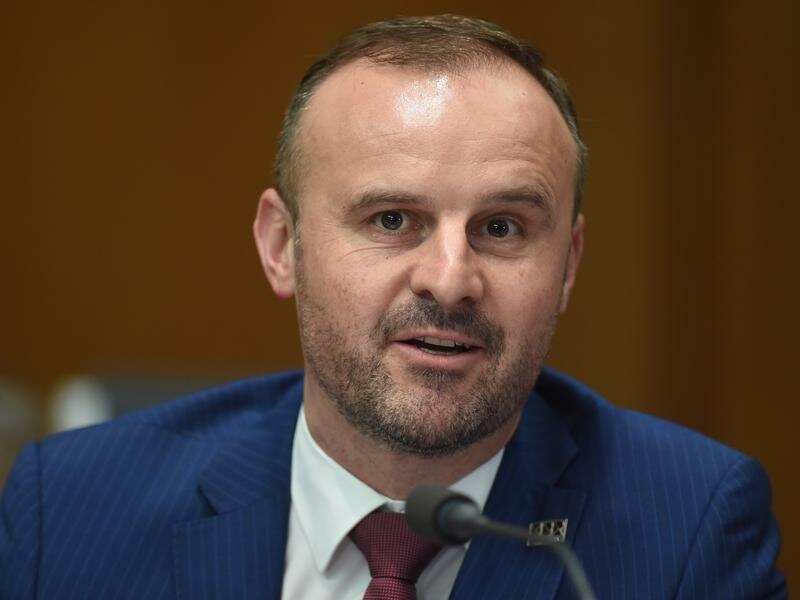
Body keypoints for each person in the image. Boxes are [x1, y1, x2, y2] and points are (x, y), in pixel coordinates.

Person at [0, 15, 786, 600]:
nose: (450, 280)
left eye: (502, 227)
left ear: (569, 264)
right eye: (391, 220)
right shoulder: (69, 506)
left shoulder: (689, 531)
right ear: (283, 246)